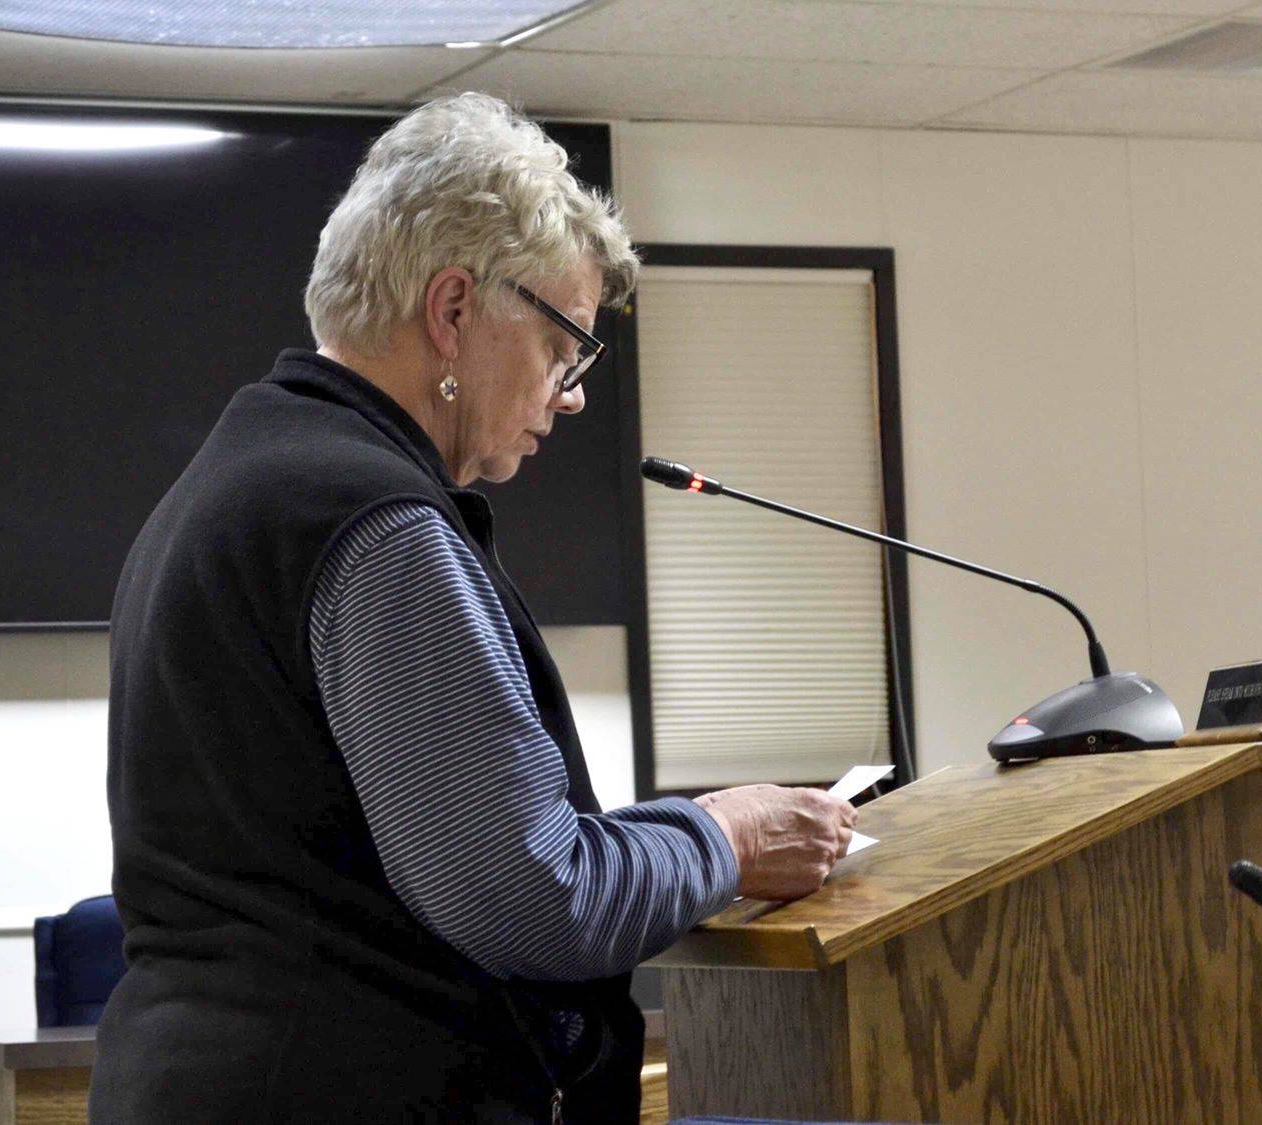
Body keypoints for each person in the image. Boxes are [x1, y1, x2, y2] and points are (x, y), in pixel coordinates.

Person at [91, 93, 857, 1124]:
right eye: (561, 346)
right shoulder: (372, 522)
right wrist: (725, 833)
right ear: (452, 312)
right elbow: (531, 900)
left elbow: (403, 854)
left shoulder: (231, 484)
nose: (571, 393)